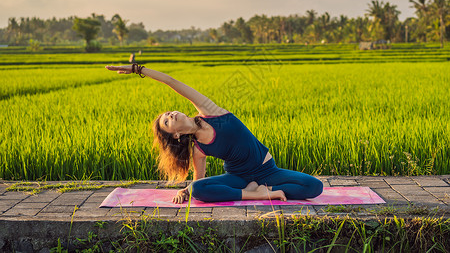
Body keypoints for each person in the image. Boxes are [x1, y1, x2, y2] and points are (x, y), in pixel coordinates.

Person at [105, 63, 323, 204]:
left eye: (170, 112)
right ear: (175, 136)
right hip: (239, 178)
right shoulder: (199, 150)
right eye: (167, 120)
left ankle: (268, 189)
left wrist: (137, 69)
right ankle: (255, 194)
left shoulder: (210, 111)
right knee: (199, 189)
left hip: (267, 170)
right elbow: (198, 182)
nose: (171, 114)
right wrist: (186, 191)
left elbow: (171, 82)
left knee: (315, 187)